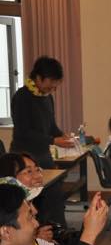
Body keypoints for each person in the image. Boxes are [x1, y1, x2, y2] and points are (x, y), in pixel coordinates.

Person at [10, 56, 72, 227]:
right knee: (32, 200)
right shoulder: (22, 97)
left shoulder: (47, 97)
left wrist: (62, 136)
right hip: (24, 157)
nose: (53, 87)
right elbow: (23, 132)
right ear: (38, 78)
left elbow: (51, 126)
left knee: (54, 194)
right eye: (51, 82)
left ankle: (56, 232)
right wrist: (53, 140)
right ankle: (40, 232)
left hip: (43, 156)